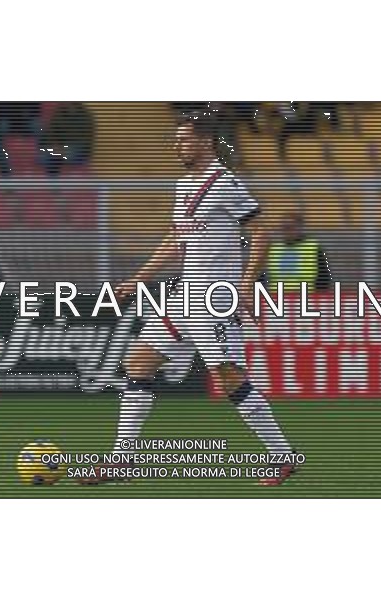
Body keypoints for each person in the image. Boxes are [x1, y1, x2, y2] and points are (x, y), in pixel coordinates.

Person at [81, 110, 297, 487]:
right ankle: (122, 461)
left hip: (214, 300)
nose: (177, 145)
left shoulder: (225, 183)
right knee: (137, 365)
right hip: (183, 298)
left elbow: (261, 232)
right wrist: (140, 278)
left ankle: (283, 456)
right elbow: (176, 239)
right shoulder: (183, 185)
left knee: (229, 379)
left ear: (206, 141)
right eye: (176, 139)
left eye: (184, 139)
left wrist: (246, 283)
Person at [267, 211, 332, 292]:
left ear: (300, 228)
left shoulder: (312, 247)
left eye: (291, 227)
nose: (288, 230)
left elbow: (323, 278)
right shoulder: (275, 249)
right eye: (285, 227)